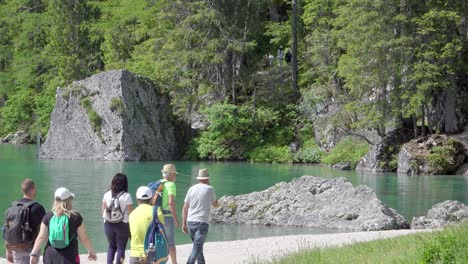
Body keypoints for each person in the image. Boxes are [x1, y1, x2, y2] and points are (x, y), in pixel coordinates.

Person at [29, 187, 97, 264]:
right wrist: (92, 252)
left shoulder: (48, 216)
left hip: (50, 257)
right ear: (68, 201)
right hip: (70, 257)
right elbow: (84, 238)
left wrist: (33, 254)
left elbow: (41, 237)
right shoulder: (76, 217)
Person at [4, 179, 46, 264]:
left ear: (22, 189)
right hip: (31, 247)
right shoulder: (37, 208)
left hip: (15, 246)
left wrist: (8, 250)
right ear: (33, 189)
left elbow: (7, 228)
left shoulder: (12, 206)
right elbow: (45, 230)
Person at [182, 169, 219, 264]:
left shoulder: (191, 189)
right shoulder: (210, 189)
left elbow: (185, 207)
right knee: (197, 247)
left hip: (190, 222)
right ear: (207, 179)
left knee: (198, 247)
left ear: (198, 179)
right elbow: (215, 204)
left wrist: (184, 224)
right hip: (202, 222)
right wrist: (217, 203)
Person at [102, 173, 133, 264]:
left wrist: (106, 221)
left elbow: (103, 211)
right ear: (125, 183)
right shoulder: (127, 196)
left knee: (111, 246)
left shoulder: (107, 194)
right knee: (121, 248)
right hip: (123, 225)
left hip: (108, 224)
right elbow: (131, 214)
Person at [128, 186, 165, 264]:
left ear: (137, 199)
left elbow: (131, 235)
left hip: (135, 255)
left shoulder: (132, 214)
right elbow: (161, 233)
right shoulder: (156, 211)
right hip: (152, 255)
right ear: (151, 198)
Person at [159, 164, 180, 264]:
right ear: (171, 175)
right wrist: (176, 219)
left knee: (159, 242)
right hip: (167, 217)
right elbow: (171, 202)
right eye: (174, 174)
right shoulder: (171, 185)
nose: (175, 176)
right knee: (171, 243)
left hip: (157, 216)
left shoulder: (158, 183)